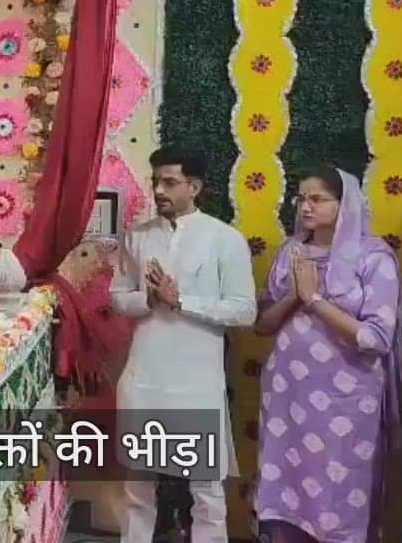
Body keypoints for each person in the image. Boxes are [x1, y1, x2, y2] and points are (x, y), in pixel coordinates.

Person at [110, 146, 256, 543]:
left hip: (197, 379)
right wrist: (149, 299)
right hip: (145, 374)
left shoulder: (224, 239)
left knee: (206, 485)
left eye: (170, 182)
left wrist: (181, 302)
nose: (159, 190)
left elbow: (244, 311)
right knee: (138, 480)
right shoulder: (138, 237)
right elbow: (117, 297)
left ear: (195, 187)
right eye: (156, 181)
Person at [252, 165, 402, 543]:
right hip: (288, 397)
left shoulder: (373, 257)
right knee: (283, 488)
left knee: (337, 492)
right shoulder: (291, 252)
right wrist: (294, 295)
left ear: (344, 204)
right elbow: (263, 325)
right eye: (301, 198)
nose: (306, 207)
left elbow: (377, 338)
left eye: (317, 199)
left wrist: (314, 300)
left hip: (345, 402)